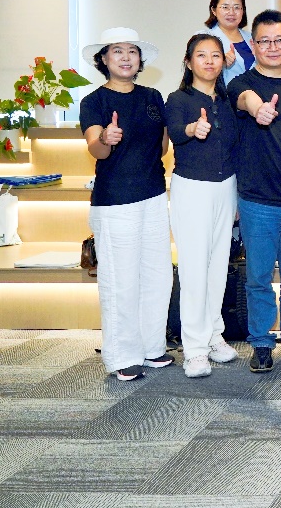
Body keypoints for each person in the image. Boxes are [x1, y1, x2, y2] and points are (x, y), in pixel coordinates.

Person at [80, 26, 172, 382]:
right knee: (121, 279)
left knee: (157, 275)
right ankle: (122, 355)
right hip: (115, 200)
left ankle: (151, 346)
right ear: (103, 59)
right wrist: (106, 137)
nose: (125, 57)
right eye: (116, 51)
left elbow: (161, 148)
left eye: (132, 51)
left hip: (153, 194)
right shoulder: (94, 101)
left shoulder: (153, 96)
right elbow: (97, 149)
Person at [228, 10, 281, 373]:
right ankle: (261, 342)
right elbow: (245, 99)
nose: (273, 47)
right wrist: (258, 109)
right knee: (259, 277)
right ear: (254, 45)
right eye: (264, 41)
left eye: (280, 40)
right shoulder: (240, 83)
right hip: (258, 199)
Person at [164, 34, 240, 378]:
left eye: (215, 55)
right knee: (194, 269)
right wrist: (192, 128)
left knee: (217, 266)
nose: (209, 61)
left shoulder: (227, 100)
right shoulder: (178, 99)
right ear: (188, 61)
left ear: (223, 61)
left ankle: (213, 335)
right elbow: (175, 131)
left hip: (226, 187)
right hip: (192, 188)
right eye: (201, 55)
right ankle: (194, 349)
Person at [202, 0, 254, 84]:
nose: (231, 12)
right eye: (225, 7)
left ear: (243, 11)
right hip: (222, 92)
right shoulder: (203, 38)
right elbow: (197, 70)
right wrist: (220, 62)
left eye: (237, 7)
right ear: (214, 10)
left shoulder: (253, 37)